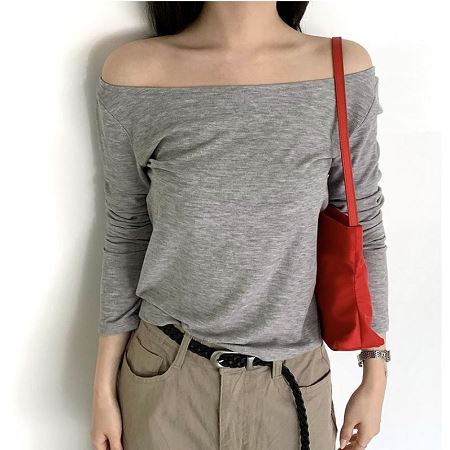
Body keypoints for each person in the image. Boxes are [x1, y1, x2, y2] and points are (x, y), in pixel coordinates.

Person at [90, 2, 390, 449]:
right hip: (165, 381)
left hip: (292, 384)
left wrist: (375, 374)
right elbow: (127, 231)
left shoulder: (341, 70)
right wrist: (102, 389)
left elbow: (364, 227)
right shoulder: (136, 73)